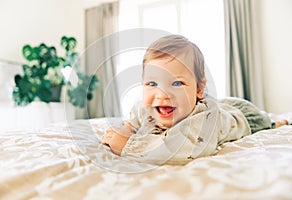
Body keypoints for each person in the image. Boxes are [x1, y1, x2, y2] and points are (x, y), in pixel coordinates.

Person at [102, 35, 290, 165]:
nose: (162, 94)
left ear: (199, 89)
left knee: (267, 122)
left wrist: (129, 146)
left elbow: (184, 148)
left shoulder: (204, 119)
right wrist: (127, 129)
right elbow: (136, 123)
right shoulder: (145, 107)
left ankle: (278, 122)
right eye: (152, 83)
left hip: (244, 115)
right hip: (218, 105)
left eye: (176, 83)